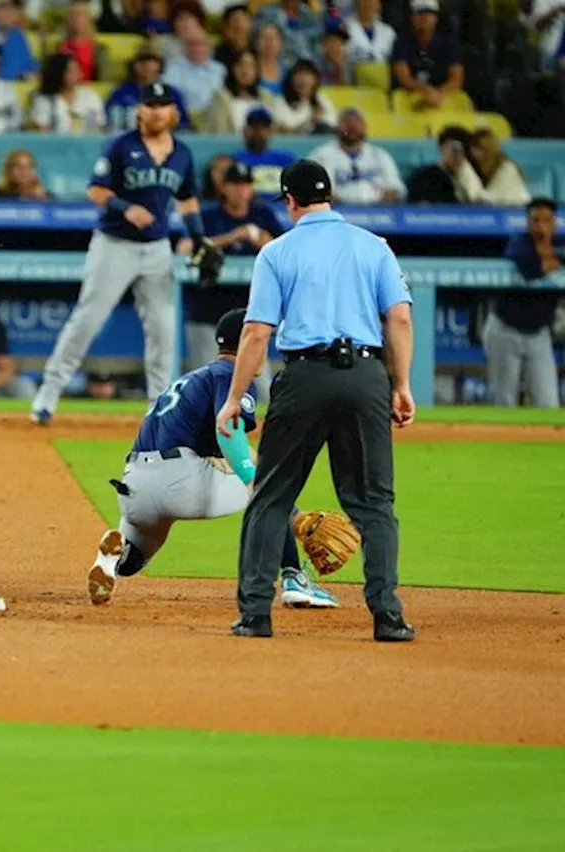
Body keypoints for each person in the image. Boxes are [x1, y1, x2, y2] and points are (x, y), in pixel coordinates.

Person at [215, 159, 416, 642]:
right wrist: (401, 384)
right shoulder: (374, 246)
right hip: (367, 375)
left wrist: (233, 398)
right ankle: (387, 617)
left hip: (303, 376)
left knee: (271, 498)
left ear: (289, 201)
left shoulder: (277, 252)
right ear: (330, 198)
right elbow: (401, 320)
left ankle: (257, 615)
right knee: (373, 504)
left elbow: (257, 332)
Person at [85, 308, 338, 609]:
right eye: (263, 340)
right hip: (181, 482)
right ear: (246, 342)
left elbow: (224, 443)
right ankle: (294, 579)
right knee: (271, 488)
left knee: (134, 559)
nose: (264, 348)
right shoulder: (232, 375)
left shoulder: (190, 379)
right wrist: (266, 490)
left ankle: (111, 559)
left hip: (135, 486)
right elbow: (228, 433)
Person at [31, 83, 204, 422]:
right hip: (114, 245)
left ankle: (159, 407)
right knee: (88, 320)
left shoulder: (182, 153)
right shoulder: (121, 146)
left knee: (163, 329)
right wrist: (126, 208)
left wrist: (199, 237)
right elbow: (95, 189)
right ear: (140, 110)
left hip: (157, 249)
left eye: (163, 105)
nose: (156, 111)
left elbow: (187, 199)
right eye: (150, 104)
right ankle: (48, 394)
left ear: (173, 112)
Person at [176, 162, 282, 397]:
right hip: (207, 313)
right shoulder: (209, 214)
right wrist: (231, 237)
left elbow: (288, 252)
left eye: (245, 185)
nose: (241, 191)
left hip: (248, 321)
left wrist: (262, 241)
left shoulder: (262, 213)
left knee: (261, 391)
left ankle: (256, 434)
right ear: (224, 188)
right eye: (235, 185)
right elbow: (183, 248)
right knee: (205, 389)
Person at [484, 198, 563, 408]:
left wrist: (551, 256)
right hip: (505, 330)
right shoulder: (518, 243)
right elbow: (532, 269)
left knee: (548, 402)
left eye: (547, 221)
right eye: (536, 220)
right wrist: (549, 259)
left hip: (538, 334)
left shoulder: (561, 244)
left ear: (555, 223)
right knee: (504, 401)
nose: (541, 227)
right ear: (528, 222)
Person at [308, 108, 405, 204]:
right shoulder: (321, 155)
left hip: (379, 211)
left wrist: (386, 198)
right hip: (336, 211)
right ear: (337, 126)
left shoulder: (380, 155)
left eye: (356, 122)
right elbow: (313, 190)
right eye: (347, 122)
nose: (352, 126)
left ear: (364, 127)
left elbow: (397, 190)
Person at [390, 0, 463, 110]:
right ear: (412, 18)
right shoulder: (401, 43)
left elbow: (456, 79)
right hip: (410, 97)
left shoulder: (448, 44)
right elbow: (404, 78)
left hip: (441, 97)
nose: (424, 18)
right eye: (419, 14)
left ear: (436, 18)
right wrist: (426, 90)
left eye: (429, 14)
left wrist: (439, 93)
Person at [104, 49, 190, 131]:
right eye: (141, 62)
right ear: (134, 66)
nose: (146, 66)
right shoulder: (121, 93)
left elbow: (183, 125)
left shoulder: (171, 93)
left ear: (159, 65)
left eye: (151, 62)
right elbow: (110, 122)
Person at [203, 49, 275, 134]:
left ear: (257, 71)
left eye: (250, 66)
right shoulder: (221, 97)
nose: (245, 71)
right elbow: (219, 133)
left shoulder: (266, 96)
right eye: (241, 65)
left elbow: (272, 131)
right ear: (233, 69)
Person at [453, 129, 531, 207]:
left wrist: (464, 168)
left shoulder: (507, 169)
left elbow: (482, 200)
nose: (475, 156)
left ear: (486, 150)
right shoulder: (489, 171)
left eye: (477, 150)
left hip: (517, 213)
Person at [160, 23, 224, 117]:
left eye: (201, 44)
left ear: (209, 46)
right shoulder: (173, 68)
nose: (197, 48)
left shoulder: (219, 69)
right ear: (184, 47)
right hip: (184, 116)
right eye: (192, 44)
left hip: (213, 117)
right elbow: (170, 96)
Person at [29, 53, 104, 133]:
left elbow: (99, 128)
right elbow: (41, 131)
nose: (77, 74)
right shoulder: (44, 99)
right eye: (71, 71)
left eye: (77, 70)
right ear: (59, 73)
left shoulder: (90, 96)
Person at [233, 108, 295, 198]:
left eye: (263, 127)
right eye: (254, 127)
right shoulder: (235, 160)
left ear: (270, 131)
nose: (258, 132)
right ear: (245, 130)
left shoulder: (286, 159)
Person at [405, 124, 467, 204]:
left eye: (462, 152)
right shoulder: (424, 177)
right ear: (442, 147)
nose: (458, 156)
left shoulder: (467, 178)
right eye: (454, 150)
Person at [271, 58, 335, 135]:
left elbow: (332, 123)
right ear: (291, 79)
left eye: (307, 73)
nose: (303, 78)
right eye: (298, 74)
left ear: (315, 79)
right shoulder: (279, 101)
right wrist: (309, 122)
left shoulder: (321, 99)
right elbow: (280, 127)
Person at [56, 0, 110, 82]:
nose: (77, 19)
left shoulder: (100, 50)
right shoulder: (59, 48)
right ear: (67, 20)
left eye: (81, 15)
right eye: (73, 15)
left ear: (89, 20)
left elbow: (105, 81)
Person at [254, 0, 321, 65]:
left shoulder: (310, 16)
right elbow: (256, 41)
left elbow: (317, 47)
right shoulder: (266, 13)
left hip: (306, 67)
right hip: (276, 66)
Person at [0, 0, 37, 81]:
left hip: (15, 88)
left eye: (14, 8)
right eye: (4, 7)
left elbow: (30, 67)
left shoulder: (18, 35)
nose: (9, 13)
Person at [345, 0, 396, 68]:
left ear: (379, 5)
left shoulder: (388, 32)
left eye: (372, 0)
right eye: (364, 1)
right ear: (355, 4)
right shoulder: (344, 28)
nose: (368, 4)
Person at [252, 23, 287, 97]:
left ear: (281, 44)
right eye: (264, 37)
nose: (269, 41)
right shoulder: (249, 68)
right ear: (256, 43)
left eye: (273, 37)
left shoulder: (287, 71)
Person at [316, 19, 352, 86]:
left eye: (340, 42)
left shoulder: (350, 63)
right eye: (332, 41)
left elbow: (346, 92)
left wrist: (340, 68)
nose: (336, 46)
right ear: (323, 43)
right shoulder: (315, 63)